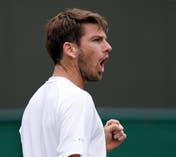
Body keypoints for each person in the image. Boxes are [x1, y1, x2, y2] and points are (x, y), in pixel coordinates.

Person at [19, 8, 127, 157]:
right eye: (97, 40)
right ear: (70, 49)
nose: (108, 47)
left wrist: (95, 143)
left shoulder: (34, 103)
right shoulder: (77, 99)